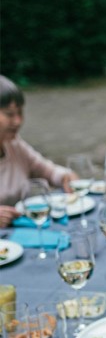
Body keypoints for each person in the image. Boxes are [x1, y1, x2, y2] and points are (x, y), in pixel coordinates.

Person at [0, 75, 76, 227]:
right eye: (10, 114)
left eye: (20, 113)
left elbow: (49, 172)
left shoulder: (14, 145)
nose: (18, 121)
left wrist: (66, 178)